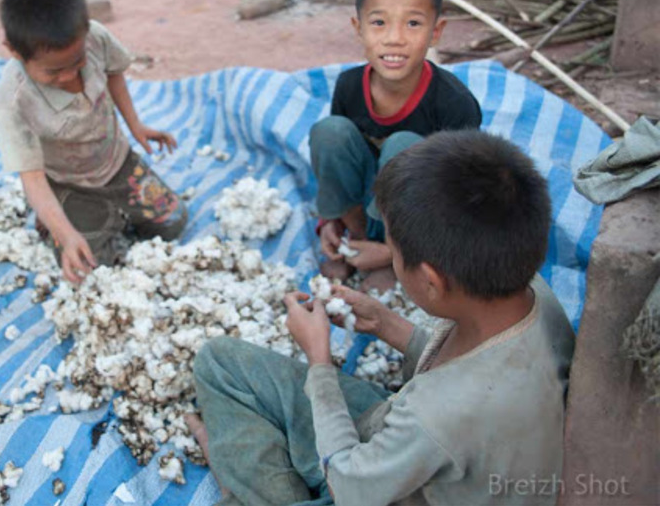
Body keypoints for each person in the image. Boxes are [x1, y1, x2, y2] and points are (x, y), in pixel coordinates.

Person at [189, 130, 575, 506]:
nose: (388, 257)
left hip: (372, 486)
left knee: (222, 388)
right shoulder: (533, 295)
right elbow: (462, 369)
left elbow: (352, 488)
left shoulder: (435, 416)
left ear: (430, 281)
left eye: (390, 249)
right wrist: (387, 325)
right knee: (221, 361)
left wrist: (320, 364)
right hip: (420, 450)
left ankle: (245, 482)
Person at [0, 0, 186, 283]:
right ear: (15, 52)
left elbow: (114, 73)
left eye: (78, 62)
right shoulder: (14, 99)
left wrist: (135, 126)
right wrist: (65, 234)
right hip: (68, 183)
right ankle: (56, 221)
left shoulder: (95, 37)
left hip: (117, 162)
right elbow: (31, 177)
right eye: (54, 72)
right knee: (92, 267)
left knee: (174, 222)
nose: (70, 76)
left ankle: (107, 211)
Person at [309, 0, 481, 288]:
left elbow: (457, 196)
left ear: (437, 32)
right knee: (329, 131)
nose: (394, 39)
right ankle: (354, 243)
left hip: (416, 216)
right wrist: (330, 220)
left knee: (404, 146)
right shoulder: (348, 85)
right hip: (363, 202)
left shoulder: (455, 104)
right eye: (378, 23)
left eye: (413, 23)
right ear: (358, 28)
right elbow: (337, 158)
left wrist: (394, 252)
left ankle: (393, 256)